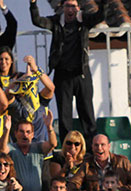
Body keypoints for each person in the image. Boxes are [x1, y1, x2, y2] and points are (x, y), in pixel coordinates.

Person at [30, 0, 107, 144]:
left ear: (78, 8)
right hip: (62, 74)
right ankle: (68, 147)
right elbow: (38, 21)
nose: (70, 9)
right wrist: (33, 4)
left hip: (81, 73)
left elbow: (99, 16)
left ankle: (90, 148)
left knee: (87, 112)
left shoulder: (84, 20)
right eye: (67, 6)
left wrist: (104, 3)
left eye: (73, 6)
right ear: (63, 8)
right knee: (64, 114)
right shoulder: (56, 22)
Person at [0, 114, 58, 191]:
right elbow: (2, 150)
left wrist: (49, 127)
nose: (24, 135)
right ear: (15, 134)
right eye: (21, 131)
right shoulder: (12, 148)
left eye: (28, 132)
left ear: (32, 134)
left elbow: (52, 144)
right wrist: (6, 130)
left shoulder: (37, 147)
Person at [5, 55, 56, 143]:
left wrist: (36, 69)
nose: (23, 86)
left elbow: (51, 88)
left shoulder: (40, 100)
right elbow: (7, 94)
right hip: (22, 153)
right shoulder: (15, 105)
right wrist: (19, 80)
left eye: (25, 83)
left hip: (43, 151)